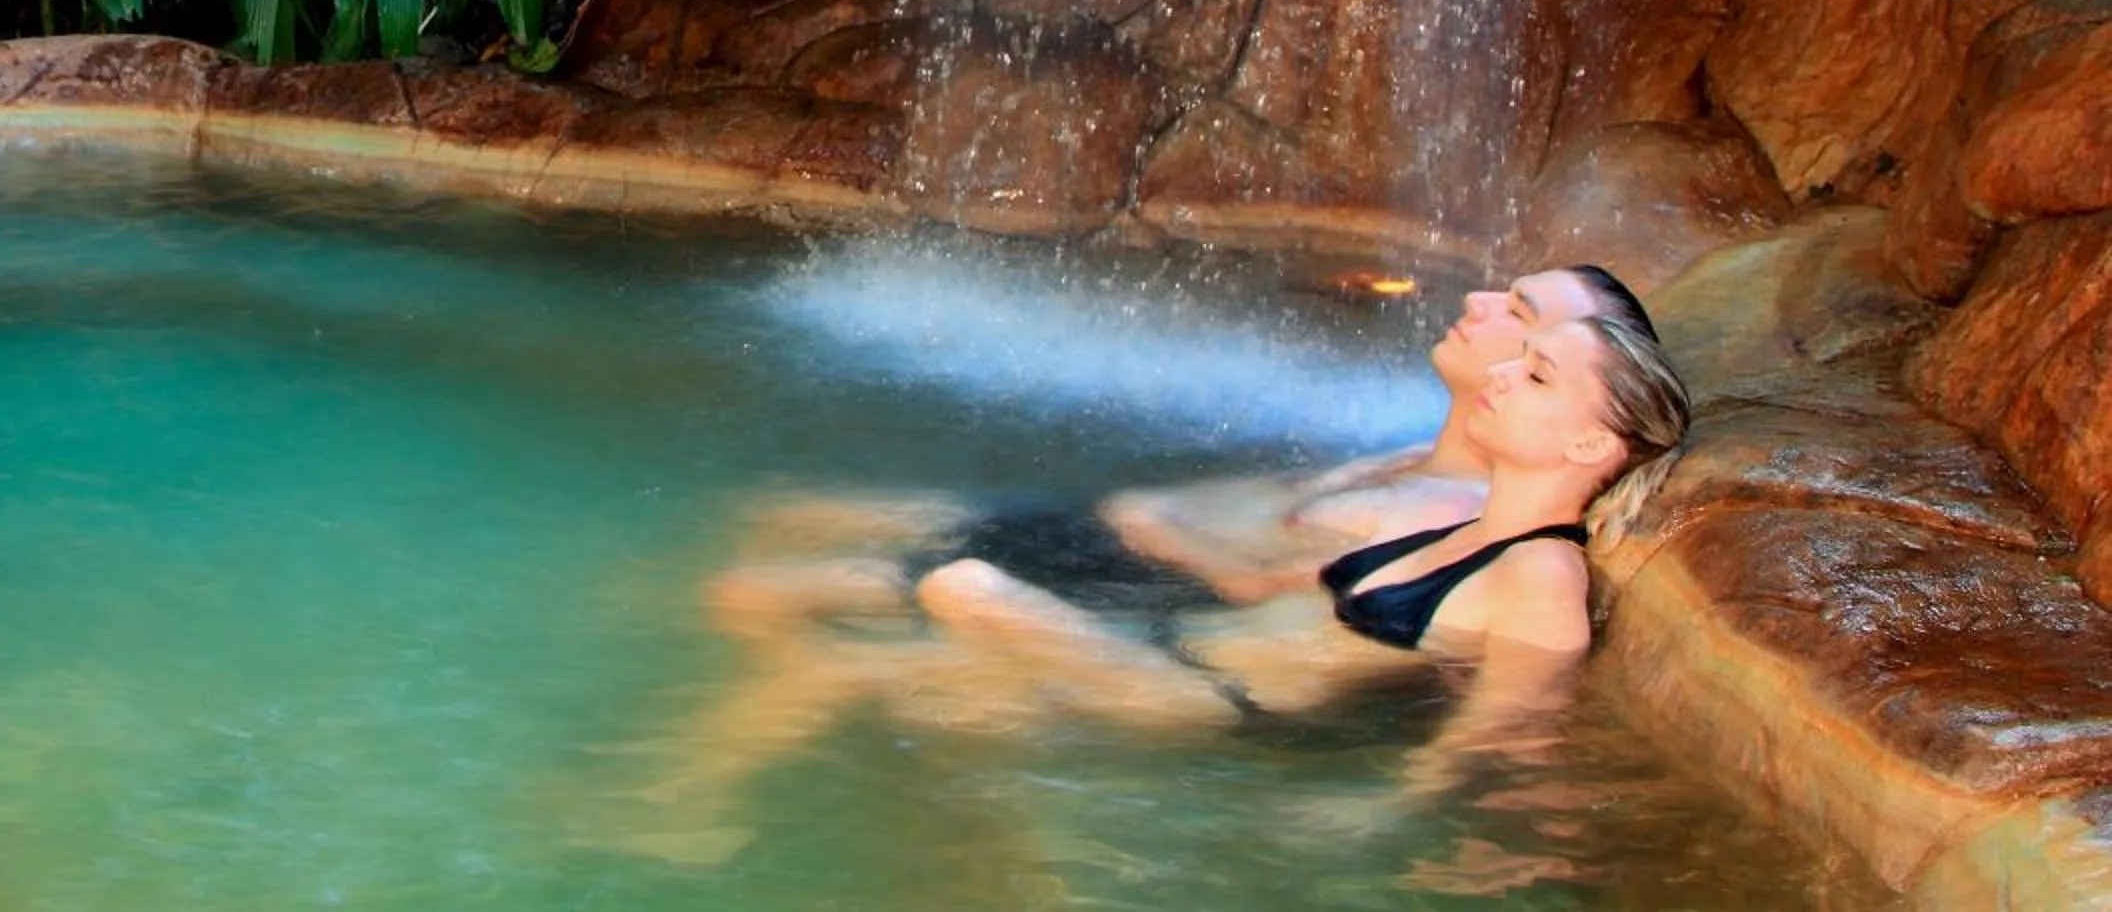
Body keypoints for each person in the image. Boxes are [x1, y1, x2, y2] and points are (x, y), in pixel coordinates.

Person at [623, 311, 1692, 851]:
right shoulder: (1458, 524)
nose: (1503, 371)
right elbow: (1284, 599)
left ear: (1594, 441)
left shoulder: (1540, 572)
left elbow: (1512, 721)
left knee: (964, 589)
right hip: (1165, 653)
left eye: (1537, 373)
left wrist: (1381, 807)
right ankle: (682, 805)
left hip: (1208, 702)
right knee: (836, 660)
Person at [706, 264, 1661, 648]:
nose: (1487, 306)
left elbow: (1289, 595)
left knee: (780, 592)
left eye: (1529, 330)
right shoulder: (1416, 451)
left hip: (1132, 586)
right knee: (777, 534)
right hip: (1099, 548)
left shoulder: (1474, 517)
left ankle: (693, 791)